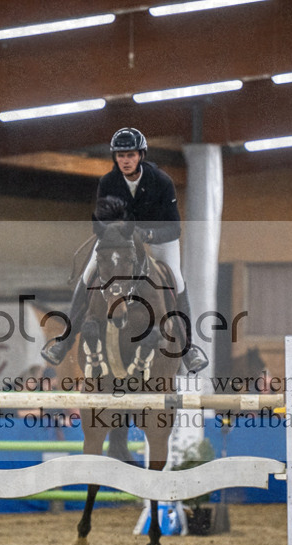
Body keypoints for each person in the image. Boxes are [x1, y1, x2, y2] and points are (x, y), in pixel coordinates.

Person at [41, 127, 209, 374]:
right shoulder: (108, 182)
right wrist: (118, 233)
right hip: (119, 240)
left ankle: (188, 349)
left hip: (158, 238)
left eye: (130, 155)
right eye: (120, 155)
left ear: (140, 155)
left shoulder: (161, 181)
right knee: (87, 276)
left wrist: (149, 234)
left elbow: (174, 228)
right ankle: (64, 341)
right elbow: (103, 220)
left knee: (177, 279)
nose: (125, 160)